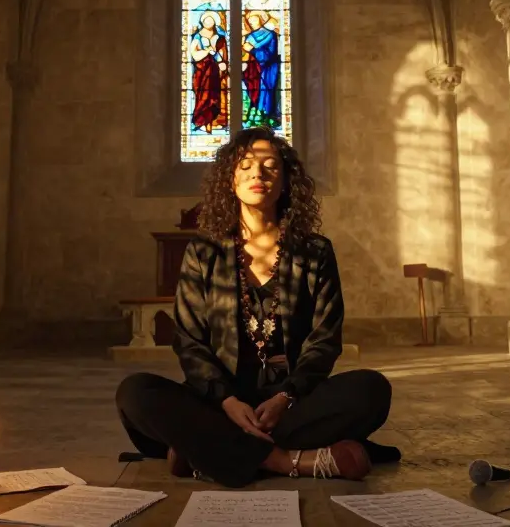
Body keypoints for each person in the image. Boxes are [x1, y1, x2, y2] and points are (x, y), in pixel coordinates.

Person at [115, 127, 399, 488]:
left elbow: (324, 340)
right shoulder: (204, 253)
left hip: (290, 403)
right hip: (220, 401)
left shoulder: (315, 252)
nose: (258, 175)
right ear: (229, 181)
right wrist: (227, 401)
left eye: (270, 166)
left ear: (286, 180)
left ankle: (207, 451)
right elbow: (189, 343)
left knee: (371, 390)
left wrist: (286, 396)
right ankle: (285, 460)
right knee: (135, 393)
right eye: (245, 166)